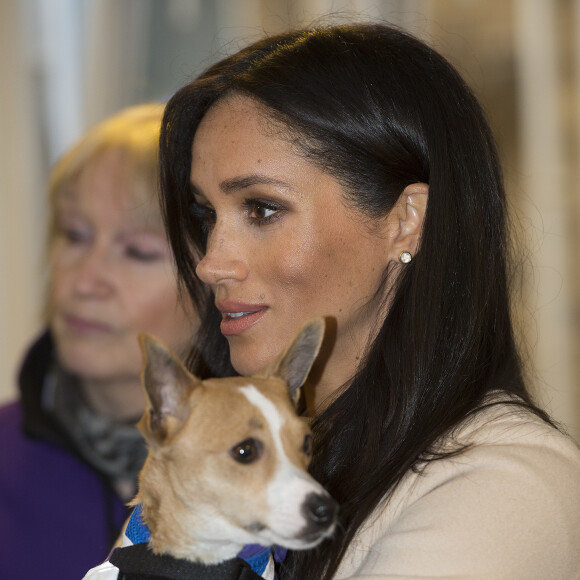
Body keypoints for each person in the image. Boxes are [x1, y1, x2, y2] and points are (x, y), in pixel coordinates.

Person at [155, 22, 580, 579]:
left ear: (406, 222)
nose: (211, 263)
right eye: (207, 216)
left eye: (261, 209)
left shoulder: (507, 485)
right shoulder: (209, 465)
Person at [0, 104, 198, 579]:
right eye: (74, 234)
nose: (85, 280)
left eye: (137, 251)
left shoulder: (278, 477)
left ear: (215, 284)